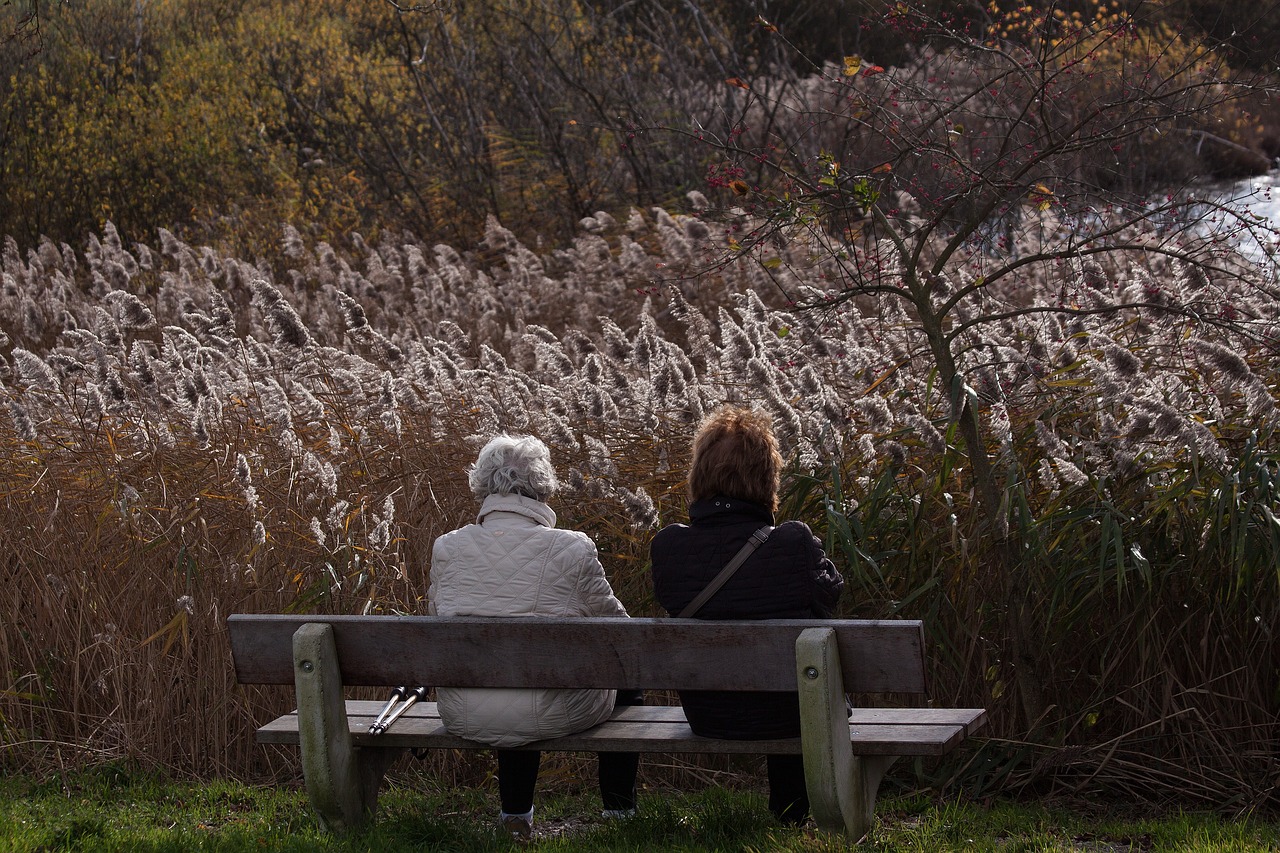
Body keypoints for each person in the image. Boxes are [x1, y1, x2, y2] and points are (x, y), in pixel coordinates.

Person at [428, 434, 640, 841]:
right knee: (626, 677)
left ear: (483, 486)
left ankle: (515, 817)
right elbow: (621, 633)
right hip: (550, 708)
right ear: (542, 487)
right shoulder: (572, 549)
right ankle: (619, 815)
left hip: (464, 709)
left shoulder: (447, 548)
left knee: (505, 676)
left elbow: (434, 620)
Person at [650, 405, 844, 826]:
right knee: (794, 666)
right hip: (789, 716)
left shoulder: (667, 547)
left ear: (699, 474)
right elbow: (830, 598)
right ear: (767, 477)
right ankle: (791, 810)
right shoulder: (792, 542)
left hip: (706, 713)